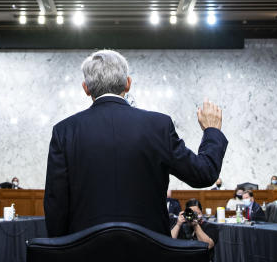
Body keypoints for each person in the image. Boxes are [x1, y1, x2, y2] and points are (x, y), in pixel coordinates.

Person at [43, 49, 228, 237]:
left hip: (84, 250)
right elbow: (204, 174)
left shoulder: (64, 131)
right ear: (128, 84)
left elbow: (55, 203)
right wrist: (211, 131)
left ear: (86, 88)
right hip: (150, 249)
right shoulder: (158, 126)